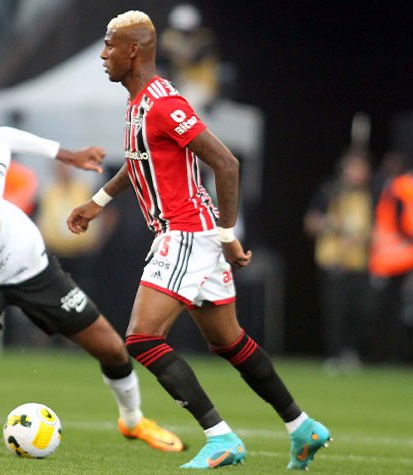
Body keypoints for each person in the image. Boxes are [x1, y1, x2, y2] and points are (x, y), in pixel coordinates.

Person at [66, 11, 330, 470]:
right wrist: (98, 202)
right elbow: (140, 162)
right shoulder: (139, 103)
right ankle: (302, 426)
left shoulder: (164, 103)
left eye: (110, 46)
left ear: (134, 50)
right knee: (229, 342)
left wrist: (228, 234)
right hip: (193, 232)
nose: (104, 55)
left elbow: (226, 164)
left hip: (187, 231)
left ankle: (220, 437)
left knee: (142, 339)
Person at [0, 126, 183, 453]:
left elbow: (3, 136)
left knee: (112, 348)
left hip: (34, 271)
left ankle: (133, 420)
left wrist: (68, 155)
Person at [303, 148, 373, 370]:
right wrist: (332, 224)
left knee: (359, 311)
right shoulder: (330, 191)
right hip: (333, 261)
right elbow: (310, 223)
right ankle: (334, 354)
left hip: (359, 263)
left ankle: (351, 353)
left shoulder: (370, 195)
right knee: (335, 311)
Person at [369, 158, 413, 363]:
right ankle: (391, 357)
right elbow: (402, 222)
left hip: (394, 259)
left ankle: (391, 356)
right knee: (393, 311)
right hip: (399, 258)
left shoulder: (394, 186)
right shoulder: (401, 186)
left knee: (393, 310)